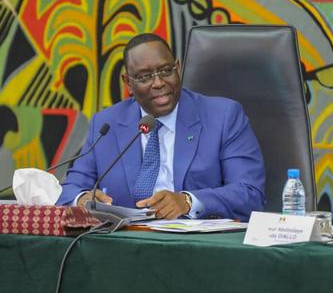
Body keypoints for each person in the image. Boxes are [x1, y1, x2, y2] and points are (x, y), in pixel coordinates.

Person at [57, 33, 265, 221]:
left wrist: (188, 201)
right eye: (145, 76)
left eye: (165, 71)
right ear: (128, 83)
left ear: (178, 68)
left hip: (198, 247)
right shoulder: (106, 124)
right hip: (126, 246)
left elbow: (250, 193)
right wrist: (82, 198)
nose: (158, 83)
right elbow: (70, 189)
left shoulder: (223, 116)